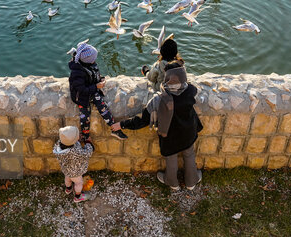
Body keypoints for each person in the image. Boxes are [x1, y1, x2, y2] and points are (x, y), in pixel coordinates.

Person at [113, 61, 203, 190]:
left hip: (170, 135)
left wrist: (122, 124)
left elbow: (142, 120)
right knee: (189, 153)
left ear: (167, 78)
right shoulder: (190, 91)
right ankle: (191, 181)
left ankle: (172, 182)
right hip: (188, 131)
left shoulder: (158, 100)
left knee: (171, 156)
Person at [69, 42, 127, 140]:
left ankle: (114, 128)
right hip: (82, 97)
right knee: (85, 117)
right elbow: (81, 89)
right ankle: (86, 136)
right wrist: (96, 87)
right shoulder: (77, 73)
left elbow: (93, 74)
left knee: (103, 107)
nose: (95, 60)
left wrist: (100, 79)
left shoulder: (88, 64)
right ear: (87, 60)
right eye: (93, 58)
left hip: (91, 90)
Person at [53, 126, 94, 202]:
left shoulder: (58, 146)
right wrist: (88, 143)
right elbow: (87, 153)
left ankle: (68, 189)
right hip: (76, 172)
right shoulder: (76, 151)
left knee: (67, 178)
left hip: (66, 169)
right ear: (75, 140)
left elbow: (68, 142)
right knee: (79, 183)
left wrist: (76, 139)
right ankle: (78, 196)